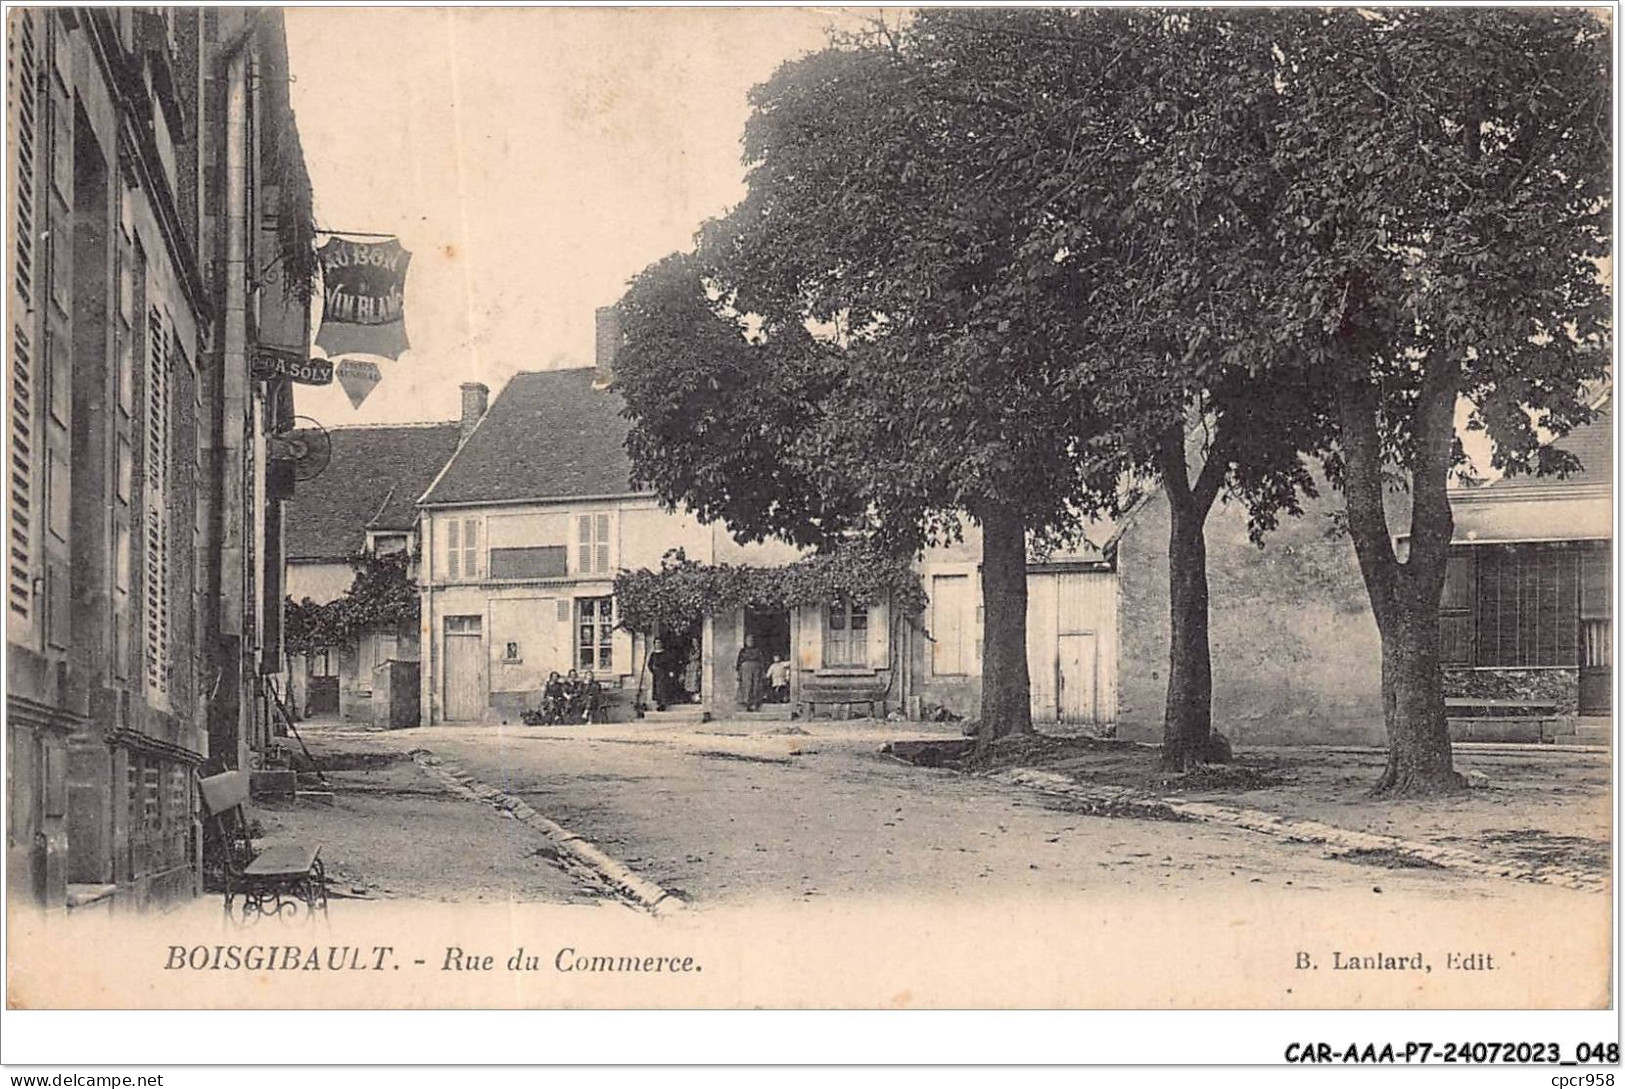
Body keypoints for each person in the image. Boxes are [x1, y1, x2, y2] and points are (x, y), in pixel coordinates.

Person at [648, 639, 683, 712]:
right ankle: (659, 702)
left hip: (664, 673)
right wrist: (653, 671)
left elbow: (670, 663)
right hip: (657, 674)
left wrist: (670, 671)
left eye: (659, 643)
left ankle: (663, 704)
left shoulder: (666, 654)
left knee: (664, 688)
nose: (658, 644)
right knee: (657, 689)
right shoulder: (653, 654)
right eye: (656, 643)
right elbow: (649, 664)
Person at [736, 635, 767, 712]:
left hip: (756, 669)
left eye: (752, 640)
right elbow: (739, 663)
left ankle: (755, 704)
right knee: (746, 686)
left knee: (756, 686)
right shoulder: (743, 651)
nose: (750, 642)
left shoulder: (758, 651)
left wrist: (763, 672)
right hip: (745, 670)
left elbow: (762, 661)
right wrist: (738, 673)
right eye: (748, 640)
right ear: (745, 642)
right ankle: (747, 705)